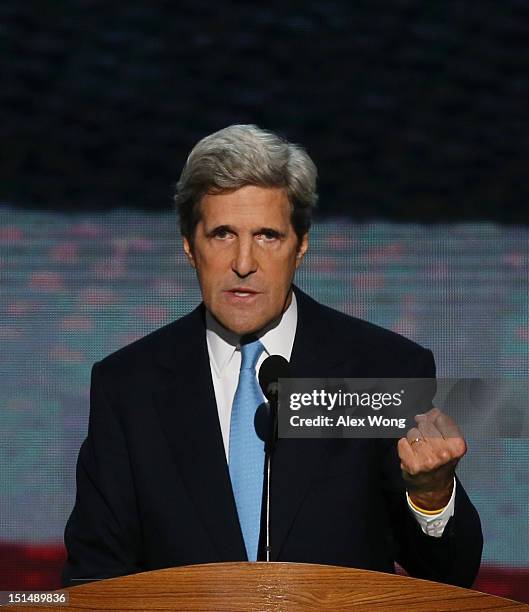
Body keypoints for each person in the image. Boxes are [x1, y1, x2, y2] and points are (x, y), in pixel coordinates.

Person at [62, 125, 482, 587]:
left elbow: (449, 573)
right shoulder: (129, 385)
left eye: (267, 236)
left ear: (300, 245)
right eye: (222, 234)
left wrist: (430, 495)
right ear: (188, 244)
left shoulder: (379, 371)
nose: (244, 262)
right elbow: (94, 577)